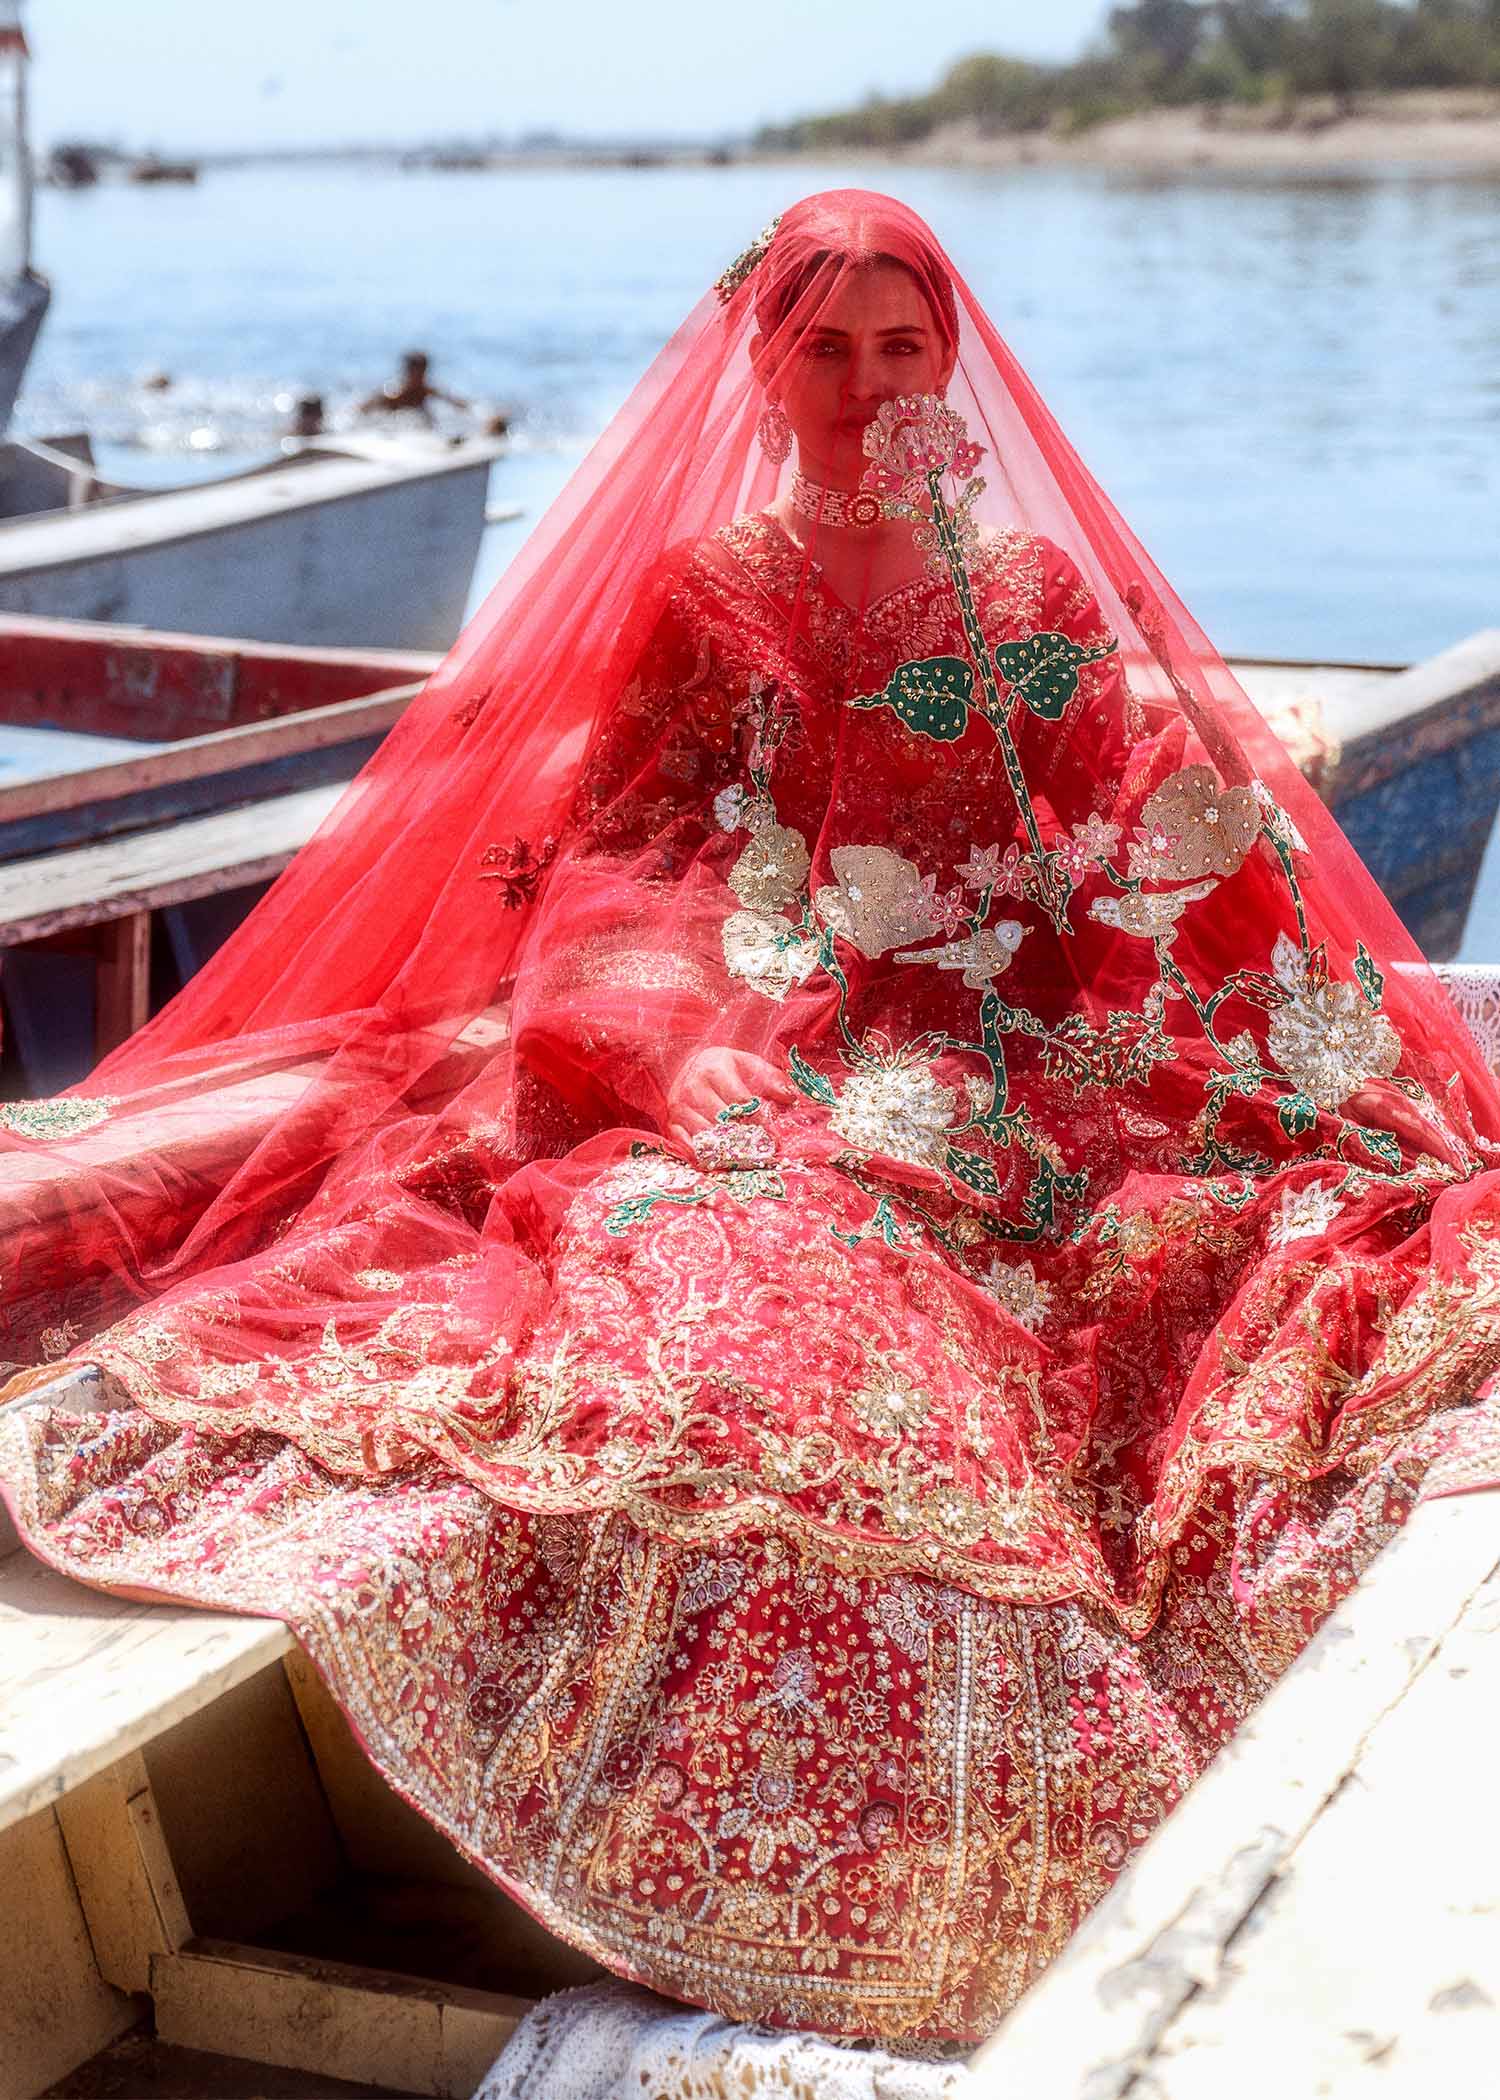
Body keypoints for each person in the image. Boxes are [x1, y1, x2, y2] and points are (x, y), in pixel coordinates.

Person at [1, 191, 1498, 2049]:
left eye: (902, 345)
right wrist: (675, 1041)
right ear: (762, 360)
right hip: (786, 1036)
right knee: (744, 1284)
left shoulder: (1025, 599)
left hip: (1010, 1051)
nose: (867, 387)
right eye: (827, 347)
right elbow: (632, 854)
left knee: (1259, 1248)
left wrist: (1203, 905)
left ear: (950, 357)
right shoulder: (704, 594)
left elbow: (1113, 830)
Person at [358, 347, 471, 421]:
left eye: (422, 372)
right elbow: (367, 407)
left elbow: (454, 402)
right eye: (415, 372)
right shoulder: (395, 392)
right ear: (407, 371)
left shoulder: (426, 389)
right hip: (393, 426)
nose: (419, 377)